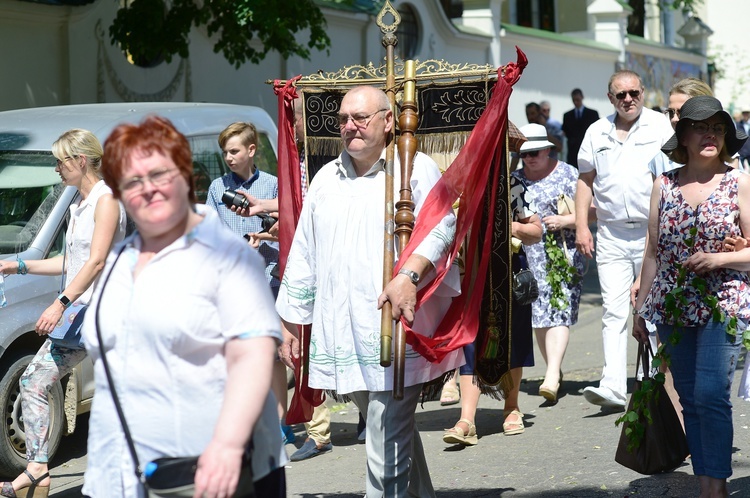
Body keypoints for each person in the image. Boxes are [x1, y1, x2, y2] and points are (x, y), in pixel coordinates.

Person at [80, 115, 286, 497]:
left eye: (159, 174)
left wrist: (226, 446)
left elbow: (253, 357)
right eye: (132, 181)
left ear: (185, 176)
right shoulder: (118, 262)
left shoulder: (227, 256)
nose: (148, 190)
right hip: (119, 471)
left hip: (210, 471)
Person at [276, 85, 463, 497]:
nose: (350, 126)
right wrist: (292, 321)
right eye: (343, 119)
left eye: (360, 118)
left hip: (393, 327)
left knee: (383, 432)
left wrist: (408, 276)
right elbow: (304, 252)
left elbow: (444, 226)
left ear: (388, 120)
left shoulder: (413, 168)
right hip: (341, 329)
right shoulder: (326, 177)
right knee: (389, 431)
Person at [633, 95, 749, 498]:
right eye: (700, 127)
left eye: (717, 128)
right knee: (689, 398)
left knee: (711, 394)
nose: (709, 134)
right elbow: (652, 252)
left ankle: (715, 487)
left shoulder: (739, 181)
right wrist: (639, 310)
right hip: (671, 305)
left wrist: (721, 258)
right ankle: (706, 484)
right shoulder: (663, 184)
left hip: (724, 303)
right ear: (682, 135)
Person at [0, 129, 126, 498]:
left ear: (80, 161)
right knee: (34, 381)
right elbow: (69, 263)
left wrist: (60, 303)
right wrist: (16, 266)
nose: (57, 167)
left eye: (61, 160)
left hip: (105, 315)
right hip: (82, 315)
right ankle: (37, 469)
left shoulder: (106, 201)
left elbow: (98, 261)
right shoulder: (78, 204)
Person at [575, 69, 674, 409]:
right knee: (614, 310)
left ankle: (659, 381)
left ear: (643, 92)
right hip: (612, 233)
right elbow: (585, 180)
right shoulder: (596, 131)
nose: (628, 99)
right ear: (610, 98)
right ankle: (614, 386)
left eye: (634, 92)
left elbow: (672, 175)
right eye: (621, 95)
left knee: (655, 309)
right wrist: (581, 226)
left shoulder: (661, 126)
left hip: (653, 233)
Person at [442, 154, 542, 444]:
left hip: (507, 273)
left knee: (512, 339)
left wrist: (508, 227)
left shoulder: (512, 185)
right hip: (470, 275)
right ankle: (466, 419)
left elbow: (536, 230)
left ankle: (511, 408)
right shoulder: (458, 188)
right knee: (470, 343)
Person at [204, 121, 292, 443]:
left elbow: (290, 232)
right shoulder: (217, 189)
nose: (228, 157)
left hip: (269, 277)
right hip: (232, 284)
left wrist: (262, 237)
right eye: (225, 152)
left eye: (234, 150)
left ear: (251, 150)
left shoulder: (272, 186)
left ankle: (281, 423)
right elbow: (209, 235)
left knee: (273, 355)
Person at [511, 123, 585, 403]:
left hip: (562, 251)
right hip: (529, 254)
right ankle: (553, 370)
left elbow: (591, 209)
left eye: (536, 152)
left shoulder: (567, 173)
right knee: (539, 313)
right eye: (525, 153)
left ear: (548, 149)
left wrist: (565, 220)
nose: (530, 158)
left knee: (560, 309)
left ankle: (552, 373)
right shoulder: (515, 179)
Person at [648, 77, 714, 177]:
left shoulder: (724, 156)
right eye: (671, 112)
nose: (674, 119)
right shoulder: (661, 161)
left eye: (681, 111)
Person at [561, 88, 599, 167]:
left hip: (588, 150)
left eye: (577, 99)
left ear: (582, 97)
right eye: (574, 100)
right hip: (573, 153)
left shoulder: (592, 114)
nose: (576, 102)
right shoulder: (567, 115)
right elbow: (565, 132)